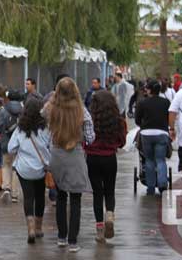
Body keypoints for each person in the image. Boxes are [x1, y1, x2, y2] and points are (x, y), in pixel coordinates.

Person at [45, 77, 94, 253]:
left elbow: (42, 118)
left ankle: (61, 237)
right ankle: (73, 241)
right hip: (75, 155)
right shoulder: (82, 111)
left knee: (60, 196)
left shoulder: (51, 108)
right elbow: (90, 137)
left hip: (56, 154)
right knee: (75, 199)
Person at [85, 90, 127, 243]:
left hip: (92, 158)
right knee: (110, 191)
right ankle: (109, 214)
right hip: (110, 158)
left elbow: (85, 140)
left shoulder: (90, 119)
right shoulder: (118, 121)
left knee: (97, 193)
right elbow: (122, 142)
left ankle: (100, 230)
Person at [8, 98, 51, 244]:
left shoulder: (20, 129)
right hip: (40, 168)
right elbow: (51, 146)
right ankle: (38, 228)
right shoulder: (46, 128)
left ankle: (30, 229)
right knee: (40, 197)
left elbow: (10, 148)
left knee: (28, 198)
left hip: (24, 169)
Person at [135, 81, 171, 195]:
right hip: (162, 133)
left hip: (146, 134)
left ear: (149, 90)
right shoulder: (166, 102)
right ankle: (162, 184)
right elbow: (169, 117)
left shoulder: (142, 103)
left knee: (149, 160)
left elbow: (137, 120)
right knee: (160, 160)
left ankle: (150, 187)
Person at [0, 90, 24, 204]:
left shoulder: (4, 109)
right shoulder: (23, 110)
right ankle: (15, 194)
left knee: (6, 165)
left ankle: (6, 188)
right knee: (16, 168)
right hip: (19, 144)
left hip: (5, 143)